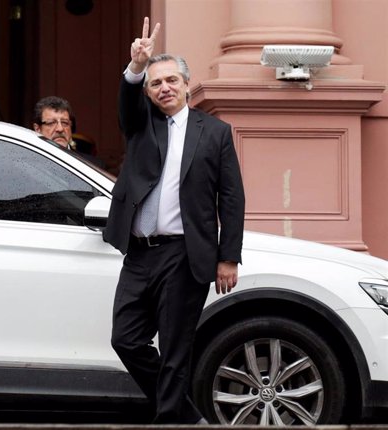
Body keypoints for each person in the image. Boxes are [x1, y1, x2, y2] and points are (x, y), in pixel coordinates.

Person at [104, 17, 245, 424]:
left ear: (186, 84)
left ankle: (170, 421)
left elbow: (232, 197)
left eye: (170, 80)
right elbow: (126, 104)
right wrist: (136, 66)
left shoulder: (215, 132)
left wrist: (228, 257)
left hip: (186, 255)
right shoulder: (140, 124)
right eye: (154, 83)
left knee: (175, 350)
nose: (163, 87)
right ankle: (187, 416)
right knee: (126, 340)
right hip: (140, 253)